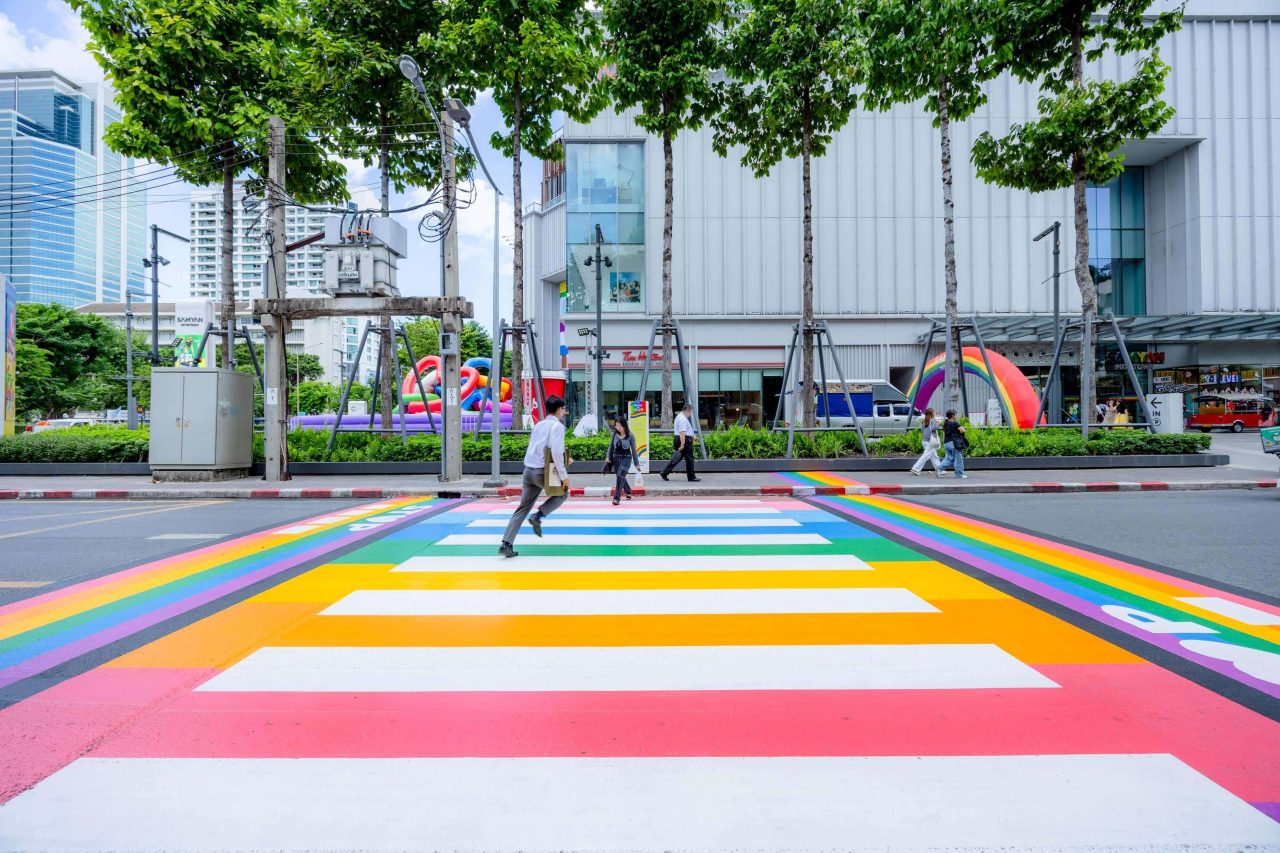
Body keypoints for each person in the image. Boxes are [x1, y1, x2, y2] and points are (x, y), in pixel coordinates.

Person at [499, 395, 570, 558]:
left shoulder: (539, 425)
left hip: (528, 470)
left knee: (522, 507)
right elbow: (556, 452)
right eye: (563, 409)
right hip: (542, 471)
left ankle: (506, 543)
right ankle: (538, 516)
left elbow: (539, 447)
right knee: (564, 493)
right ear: (559, 410)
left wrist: (566, 458)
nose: (563, 412)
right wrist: (564, 475)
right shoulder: (557, 427)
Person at [660, 402, 701, 482]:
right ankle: (691, 477)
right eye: (691, 411)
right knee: (689, 459)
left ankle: (664, 472)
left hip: (681, 439)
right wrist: (682, 444)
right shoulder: (682, 419)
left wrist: (693, 437)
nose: (691, 413)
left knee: (677, 458)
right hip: (683, 440)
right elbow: (682, 432)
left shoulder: (681, 417)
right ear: (687, 410)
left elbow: (687, 431)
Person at [607, 415, 641, 505]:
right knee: (620, 475)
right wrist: (608, 457)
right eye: (616, 425)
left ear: (624, 425)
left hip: (627, 457)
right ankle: (628, 490)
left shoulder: (630, 435)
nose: (618, 428)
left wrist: (637, 464)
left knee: (620, 475)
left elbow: (634, 450)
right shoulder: (614, 434)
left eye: (620, 426)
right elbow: (610, 446)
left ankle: (616, 498)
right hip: (616, 457)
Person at [910, 408, 943, 476]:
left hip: (925, 441)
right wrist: (938, 424)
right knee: (926, 455)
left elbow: (922, 431)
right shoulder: (933, 420)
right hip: (931, 441)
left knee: (934, 456)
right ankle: (916, 468)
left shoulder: (924, 421)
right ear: (932, 413)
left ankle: (939, 468)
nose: (935, 413)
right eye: (934, 412)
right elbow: (933, 428)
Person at [939, 410, 968, 479]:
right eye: (955, 415)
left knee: (949, 458)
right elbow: (962, 430)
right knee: (958, 459)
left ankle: (939, 468)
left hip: (946, 443)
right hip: (954, 443)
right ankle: (959, 474)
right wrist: (964, 429)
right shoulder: (955, 423)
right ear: (952, 416)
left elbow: (944, 434)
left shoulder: (946, 423)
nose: (956, 416)